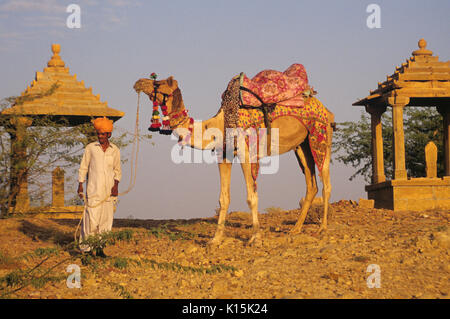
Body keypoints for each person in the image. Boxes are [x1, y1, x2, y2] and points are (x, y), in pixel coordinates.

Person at [77, 117, 121, 256]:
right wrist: (80, 184)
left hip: (108, 193)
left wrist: (116, 186)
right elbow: (83, 167)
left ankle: (100, 249)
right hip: (93, 191)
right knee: (91, 221)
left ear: (109, 135)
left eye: (103, 134)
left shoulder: (115, 150)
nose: (100, 137)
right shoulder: (91, 148)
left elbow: (117, 170)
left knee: (105, 222)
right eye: (99, 134)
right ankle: (87, 250)